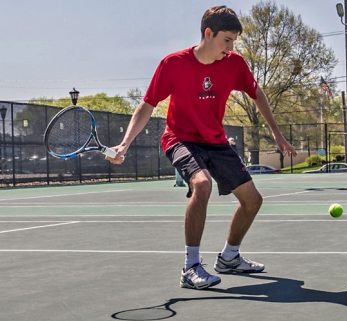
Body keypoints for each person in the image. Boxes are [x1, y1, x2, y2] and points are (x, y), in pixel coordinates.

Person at [107, 6, 296, 290]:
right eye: (227, 40)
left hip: (216, 141)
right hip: (180, 138)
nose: (231, 47)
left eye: (234, 41)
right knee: (202, 183)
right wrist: (125, 143)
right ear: (208, 34)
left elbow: (257, 94)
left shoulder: (234, 64)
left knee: (253, 201)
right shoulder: (173, 64)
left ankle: (230, 256)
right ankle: (190, 266)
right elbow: (147, 105)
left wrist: (278, 135)